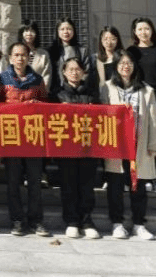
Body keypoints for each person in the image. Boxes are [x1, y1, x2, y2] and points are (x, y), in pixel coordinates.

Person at [100, 50, 156, 240]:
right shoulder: (107, 88)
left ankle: (139, 224)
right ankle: (117, 223)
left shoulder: (145, 90)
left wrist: (153, 144)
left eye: (129, 63)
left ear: (134, 66)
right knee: (115, 185)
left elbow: (153, 120)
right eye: (122, 63)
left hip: (138, 145)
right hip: (115, 145)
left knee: (138, 185)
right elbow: (101, 116)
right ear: (116, 67)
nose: (125, 67)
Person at [0, 41, 50, 237]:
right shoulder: (2, 79)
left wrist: (37, 104)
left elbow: (46, 106)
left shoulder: (37, 80)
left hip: (33, 136)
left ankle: (36, 220)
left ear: (29, 57)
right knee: (13, 181)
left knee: (34, 181)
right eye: (16, 55)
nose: (20, 58)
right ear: (10, 58)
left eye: (23, 55)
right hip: (12, 137)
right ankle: (17, 220)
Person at [55, 57, 101, 239]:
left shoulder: (92, 94)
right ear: (64, 72)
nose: (74, 73)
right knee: (68, 185)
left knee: (87, 185)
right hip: (66, 146)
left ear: (83, 72)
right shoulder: (57, 94)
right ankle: (72, 221)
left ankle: (87, 221)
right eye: (70, 69)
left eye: (77, 69)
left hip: (87, 145)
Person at [127, 17, 156, 194]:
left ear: (152, 30)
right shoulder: (131, 51)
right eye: (139, 29)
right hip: (138, 96)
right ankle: (144, 177)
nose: (143, 32)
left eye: (146, 29)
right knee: (140, 139)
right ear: (134, 32)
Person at [47, 17, 91, 100]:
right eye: (62, 29)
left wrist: (78, 86)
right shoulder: (51, 51)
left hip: (79, 93)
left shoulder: (82, 51)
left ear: (74, 31)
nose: (66, 32)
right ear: (57, 32)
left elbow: (87, 71)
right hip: (57, 93)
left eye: (69, 29)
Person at [18, 20, 52, 90]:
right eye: (26, 31)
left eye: (32, 31)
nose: (29, 34)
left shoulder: (43, 54)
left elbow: (47, 75)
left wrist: (42, 91)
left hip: (38, 92)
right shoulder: (16, 52)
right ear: (21, 33)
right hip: (18, 92)